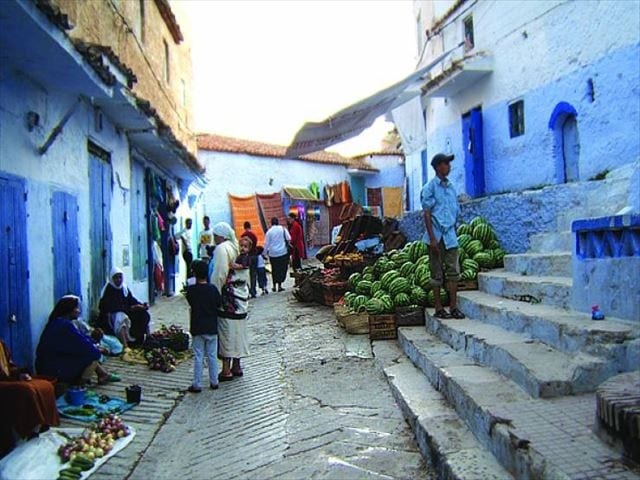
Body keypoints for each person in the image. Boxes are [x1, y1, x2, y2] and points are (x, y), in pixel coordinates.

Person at [36, 295, 120, 385]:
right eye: (76, 308)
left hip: (46, 365)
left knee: (92, 350)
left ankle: (103, 374)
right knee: (93, 355)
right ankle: (80, 385)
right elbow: (85, 347)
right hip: (52, 369)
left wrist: (94, 342)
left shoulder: (58, 322)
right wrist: (99, 348)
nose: (79, 311)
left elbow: (81, 339)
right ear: (69, 310)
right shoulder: (64, 325)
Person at [421, 153, 465, 319]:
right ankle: (439, 308)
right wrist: (432, 238)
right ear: (438, 166)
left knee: (453, 272)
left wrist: (456, 230)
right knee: (436, 273)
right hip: (436, 237)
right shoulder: (429, 188)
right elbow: (426, 214)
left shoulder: (452, 187)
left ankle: (453, 307)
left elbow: (455, 211)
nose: (449, 166)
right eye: (446, 163)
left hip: (451, 236)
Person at [0, 340, 60, 455]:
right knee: (25, 390)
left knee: (45, 385)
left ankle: (40, 427)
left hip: (7, 381)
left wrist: (19, 374)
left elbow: (9, 367)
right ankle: (29, 430)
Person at [209, 222, 249, 382]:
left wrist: (214, 294)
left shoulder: (221, 249)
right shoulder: (234, 247)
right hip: (241, 299)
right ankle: (237, 365)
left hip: (228, 300)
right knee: (239, 332)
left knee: (226, 332)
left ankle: (226, 370)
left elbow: (219, 274)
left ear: (220, 235)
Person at [185, 260, 222, 393]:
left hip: (197, 327)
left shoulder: (192, 291)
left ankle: (197, 384)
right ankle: (214, 381)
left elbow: (190, 302)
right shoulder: (213, 289)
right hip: (211, 327)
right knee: (212, 355)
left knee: (198, 356)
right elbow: (219, 303)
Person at [98, 267, 151, 349]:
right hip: (111, 315)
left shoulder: (124, 288)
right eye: (116, 277)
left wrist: (141, 305)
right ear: (111, 278)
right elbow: (109, 307)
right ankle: (125, 344)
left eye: (120, 277)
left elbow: (131, 299)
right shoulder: (108, 290)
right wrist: (130, 308)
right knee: (121, 317)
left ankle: (141, 339)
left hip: (126, 310)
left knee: (143, 314)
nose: (118, 280)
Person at [264, 217, 291, 292]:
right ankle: (280, 285)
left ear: (271, 223)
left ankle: (274, 286)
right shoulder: (283, 229)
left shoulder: (269, 232)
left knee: (274, 269)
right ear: (278, 222)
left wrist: (264, 254)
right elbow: (289, 238)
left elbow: (266, 244)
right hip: (283, 252)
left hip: (273, 254)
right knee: (282, 269)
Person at [240, 221, 258, 298]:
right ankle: (253, 291)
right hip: (254, 255)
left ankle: (247, 291)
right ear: (250, 226)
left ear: (244, 227)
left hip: (246, 257)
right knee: (253, 274)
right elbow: (255, 244)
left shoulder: (243, 236)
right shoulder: (254, 235)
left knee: (246, 274)